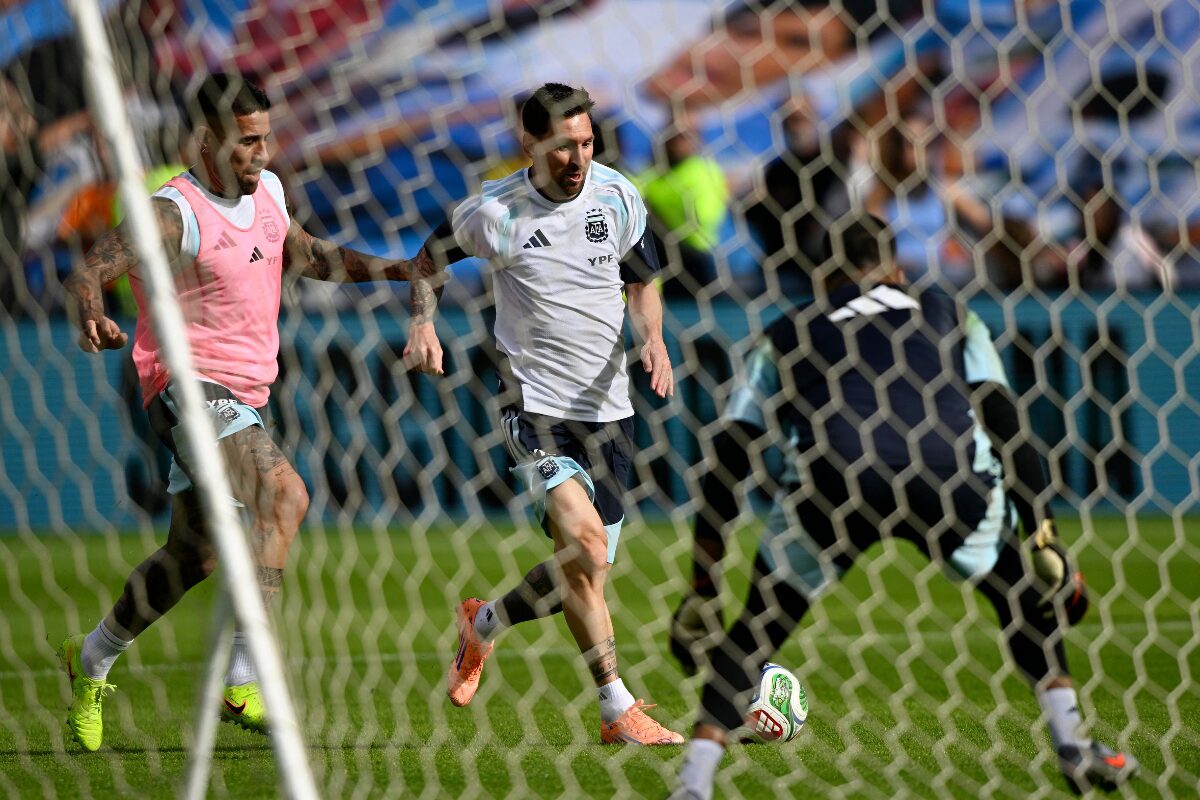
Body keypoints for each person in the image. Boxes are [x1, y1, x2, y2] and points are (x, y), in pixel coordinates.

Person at [668, 216, 1138, 797]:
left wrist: (704, 583)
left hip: (837, 478)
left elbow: (730, 449)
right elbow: (1004, 419)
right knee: (1021, 597)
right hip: (945, 473)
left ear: (822, 276)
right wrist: (1042, 534)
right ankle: (1071, 747)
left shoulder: (787, 331)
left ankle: (694, 785)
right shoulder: (947, 311)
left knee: (754, 630)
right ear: (896, 269)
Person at [57, 73, 430, 751]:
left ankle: (92, 659)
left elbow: (309, 255)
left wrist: (399, 270)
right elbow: (88, 271)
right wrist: (92, 315)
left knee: (192, 556)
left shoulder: (270, 193)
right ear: (207, 139)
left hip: (245, 395)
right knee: (284, 496)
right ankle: (244, 678)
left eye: (265, 138)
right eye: (246, 141)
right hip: (185, 386)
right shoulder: (174, 212)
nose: (261, 153)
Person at [404, 82, 683, 745]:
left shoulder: (618, 196)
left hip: (609, 411)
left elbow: (641, 281)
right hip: (534, 408)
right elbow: (426, 262)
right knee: (586, 549)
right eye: (562, 146)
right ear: (529, 142)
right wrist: (423, 324)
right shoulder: (495, 211)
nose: (577, 158)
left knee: (583, 571)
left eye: (586, 143)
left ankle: (484, 623)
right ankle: (616, 708)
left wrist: (653, 337)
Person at [637, 129, 728, 296]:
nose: (677, 144)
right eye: (674, 137)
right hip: (659, 254)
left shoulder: (702, 171)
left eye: (684, 138)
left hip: (695, 254)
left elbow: (705, 217)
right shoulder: (652, 173)